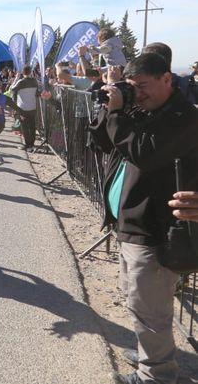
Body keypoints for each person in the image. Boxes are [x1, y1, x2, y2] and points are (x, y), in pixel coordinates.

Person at [89, 53, 198, 384]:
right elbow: (101, 142)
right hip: (129, 223)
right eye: (132, 88)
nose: (139, 95)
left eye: (144, 87)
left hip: (154, 228)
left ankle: (157, 376)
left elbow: (144, 153)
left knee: (150, 310)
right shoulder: (138, 109)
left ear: (167, 79)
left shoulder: (184, 116)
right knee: (137, 302)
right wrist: (108, 106)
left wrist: (120, 114)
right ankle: (150, 353)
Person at [8, 66, 40, 150]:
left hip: (22, 108)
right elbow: (37, 93)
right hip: (32, 107)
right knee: (32, 126)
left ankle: (27, 144)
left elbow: (11, 90)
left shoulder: (21, 82)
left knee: (25, 127)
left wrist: (16, 79)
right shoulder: (34, 81)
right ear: (30, 71)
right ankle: (32, 144)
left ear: (23, 72)